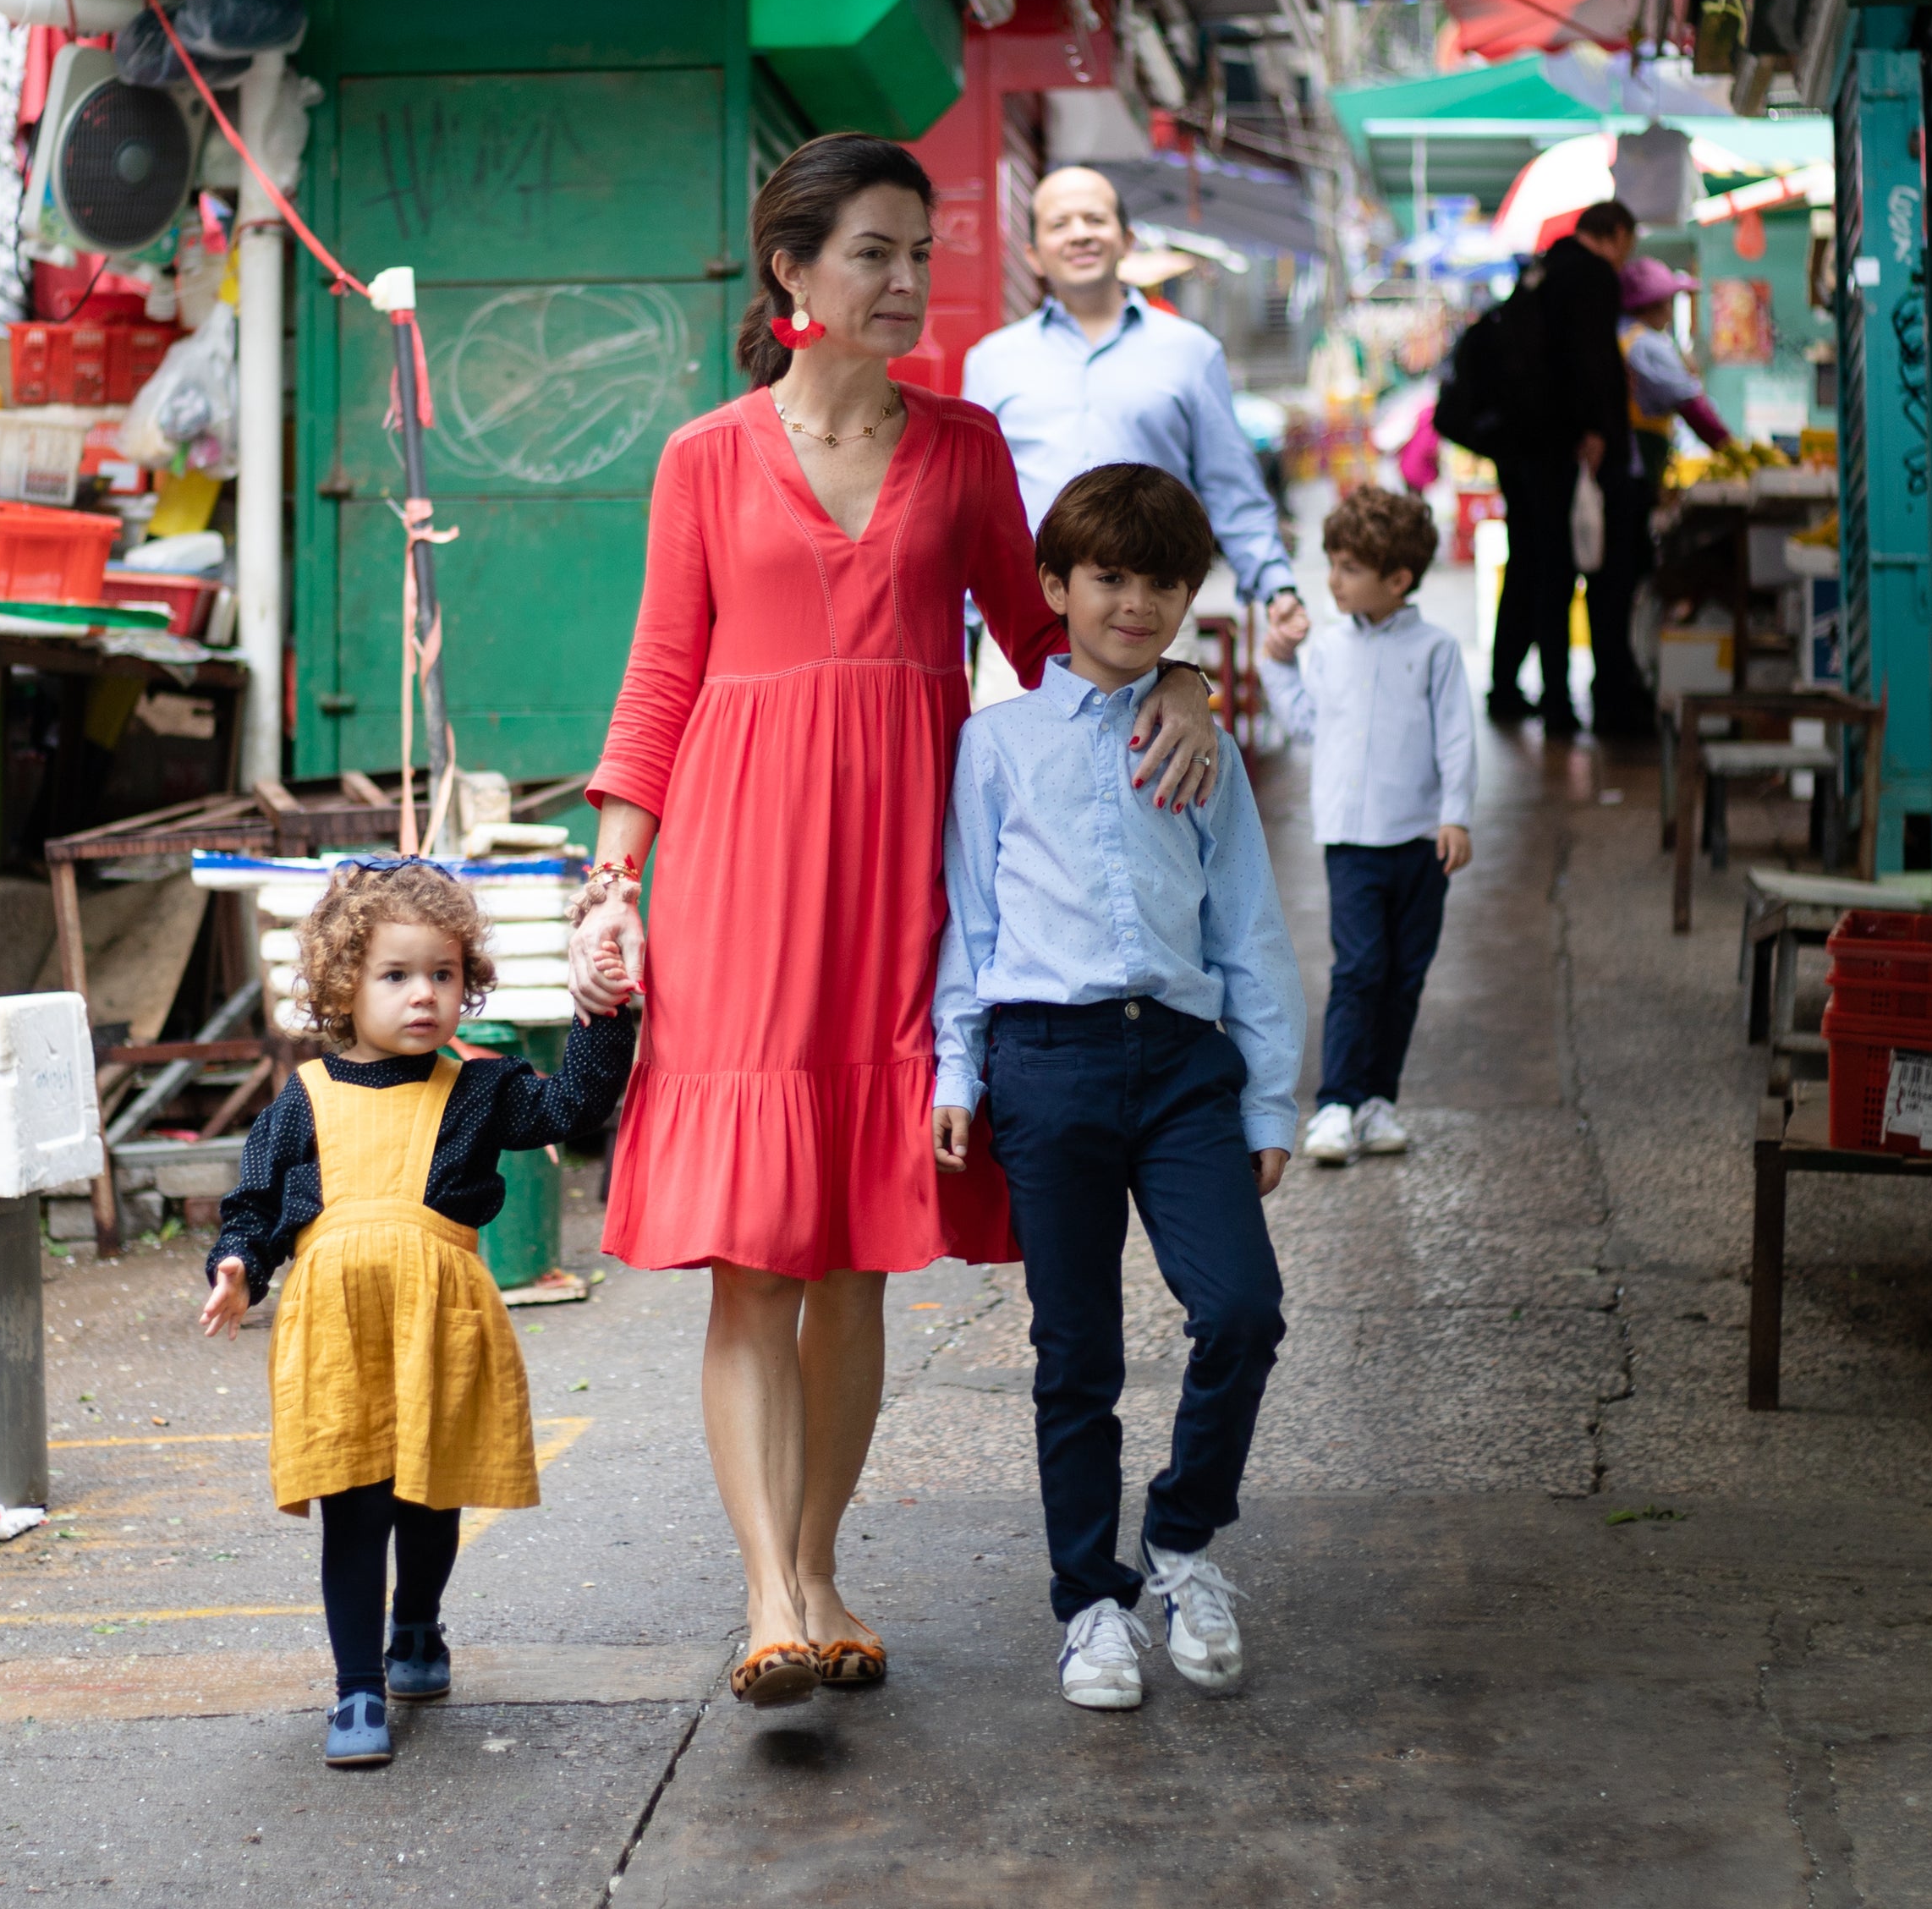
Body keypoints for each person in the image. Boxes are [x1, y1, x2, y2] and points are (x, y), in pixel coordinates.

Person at [569, 134, 1224, 1713]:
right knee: (756, 1258)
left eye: (919, 251)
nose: (906, 279)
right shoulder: (705, 458)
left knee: (858, 1253)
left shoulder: (966, 448)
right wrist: (612, 886)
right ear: (793, 271)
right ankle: (768, 1595)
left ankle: (826, 1567)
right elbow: (663, 675)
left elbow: (1056, 630)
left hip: (908, 875)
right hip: (736, 866)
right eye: (874, 250)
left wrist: (1189, 675)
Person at [930, 464, 1304, 1714]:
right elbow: (968, 927)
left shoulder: (1203, 741)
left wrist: (1269, 1101)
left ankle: (1185, 1539)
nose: (1135, 604)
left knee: (1242, 1309)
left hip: (1186, 1070)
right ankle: (1089, 1601)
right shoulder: (996, 746)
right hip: (1048, 1068)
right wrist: (957, 1065)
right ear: (1053, 589)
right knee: (1075, 1351)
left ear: (1189, 597)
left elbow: (1249, 925)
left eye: (1163, 583)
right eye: (1108, 578)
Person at [200, 860, 637, 1768]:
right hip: (337, 1330)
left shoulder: (477, 1089)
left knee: (429, 1491)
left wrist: (602, 1011)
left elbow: (571, 1103)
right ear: (341, 984)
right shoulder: (305, 1100)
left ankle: (417, 1624)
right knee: (353, 1503)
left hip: (441, 1322)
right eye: (395, 976)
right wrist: (238, 1264)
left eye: (441, 974)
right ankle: (357, 1687)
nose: (422, 996)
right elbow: (252, 1204)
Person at [962, 165, 1306, 702]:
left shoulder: (1190, 352)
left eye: (1094, 219)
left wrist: (1275, 587)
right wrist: (958, 626)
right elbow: (970, 503)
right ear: (1032, 253)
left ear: (1126, 239)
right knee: (1025, 780)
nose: (1079, 233)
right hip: (1023, 622)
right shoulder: (991, 362)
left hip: (1152, 615)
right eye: (1060, 223)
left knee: (1160, 779)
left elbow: (1230, 485)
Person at [1258, 487, 1475, 1169]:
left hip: (1420, 842)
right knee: (1358, 969)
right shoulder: (1326, 649)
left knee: (1405, 974)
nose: (1334, 580)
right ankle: (1335, 1104)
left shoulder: (1436, 651)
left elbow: (1458, 741)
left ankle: (1380, 1100)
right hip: (1351, 843)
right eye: (1334, 563)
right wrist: (1274, 663)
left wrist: (1456, 816)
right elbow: (1304, 722)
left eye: (1350, 568)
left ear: (1398, 580)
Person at [1488, 198, 1636, 734]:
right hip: (1564, 448)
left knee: (1533, 566)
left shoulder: (1543, 270)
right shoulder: (1591, 275)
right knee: (1565, 571)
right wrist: (1595, 429)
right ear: (1616, 234)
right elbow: (1588, 359)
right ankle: (1562, 702)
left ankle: (1521, 690)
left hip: (1523, 447)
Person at [1589, 255, 1735, 738]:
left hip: (1617, 478)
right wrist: (1734, 451)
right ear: (1655, 303)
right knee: (1625, 585)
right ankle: (1620, 693)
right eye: (1670, 299)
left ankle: (1615, 688)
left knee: (1611, 588)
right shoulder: (1648, 345)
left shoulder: (1617, 334)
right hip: (1628, 480)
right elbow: (1693, 406)